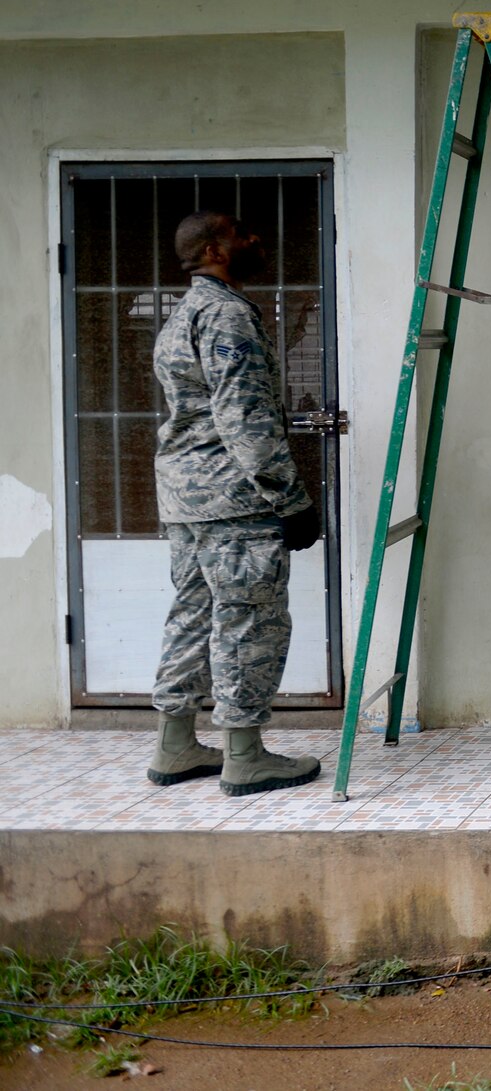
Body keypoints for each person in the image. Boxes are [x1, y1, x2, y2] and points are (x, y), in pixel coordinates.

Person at [150, 211, 323, 796]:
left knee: (192, 616)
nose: (255, 239)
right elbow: (244, 418)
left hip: (185, 500)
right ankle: (244, 756)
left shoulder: (183, 316)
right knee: (248, 622)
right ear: (214, 248)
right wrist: (292, 499)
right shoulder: (226, 314)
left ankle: (175, 746)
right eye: (242, 233)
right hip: (233, 501)